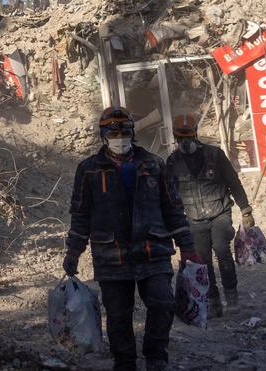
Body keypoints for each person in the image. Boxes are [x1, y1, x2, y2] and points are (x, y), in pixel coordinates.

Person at [63, 107, 202, 371]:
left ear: (132, 133)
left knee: (163, 303)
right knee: (117, 315)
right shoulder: (89, 170)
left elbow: (172, 207)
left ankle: (156, 356)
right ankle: (125, 362)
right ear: (103, 135)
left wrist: (187, 246)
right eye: (113, 132)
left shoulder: (154, 164)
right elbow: (81, 214)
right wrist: (73, 251)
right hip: (111, 255)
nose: (120, 137)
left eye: (124, 131)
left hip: (154, 249)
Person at [165, 114, 254, 317]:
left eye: (188, 136)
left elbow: (233, 182)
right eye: (181, 137)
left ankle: (232, 295)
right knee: (202, 260)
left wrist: (245, 209)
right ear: (175, 138)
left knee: (223, 251)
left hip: (219, 212)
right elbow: (168, 195)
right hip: (193, 218)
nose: (185, 141)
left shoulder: (215, 155)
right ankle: (213, 300)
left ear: (196, 134)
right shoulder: (172, 163)